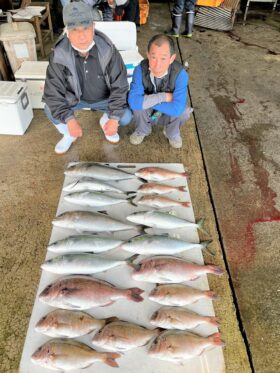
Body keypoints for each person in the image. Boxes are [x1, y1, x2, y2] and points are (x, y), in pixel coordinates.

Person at [43, 1, 132, 154]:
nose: (81, 35)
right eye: (75, 29)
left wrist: (114, 118)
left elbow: (121, 85)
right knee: (49, 109)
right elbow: (52, 93)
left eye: (86, 27)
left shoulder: (108, 50)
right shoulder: (59, 55)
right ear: (67, 31)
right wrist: (69, 120)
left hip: (105, 99)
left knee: (125, 117)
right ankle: (68, 134)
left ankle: (105, 119)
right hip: (75, 99)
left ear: (93, 27)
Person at [128, 34, 192, 149]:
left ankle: (171, 133)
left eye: (163, 58)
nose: (157, 65)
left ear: (172, 58)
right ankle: (143, 130)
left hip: (165, 112)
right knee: (137, 107)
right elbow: (133, 102)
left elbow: (177, 109)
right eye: (153, 57)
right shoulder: (139, 69)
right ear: (147, 55)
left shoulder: (181, 74)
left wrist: (146, 99)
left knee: (184, 111)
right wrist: (164, 97)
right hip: (159, 109)